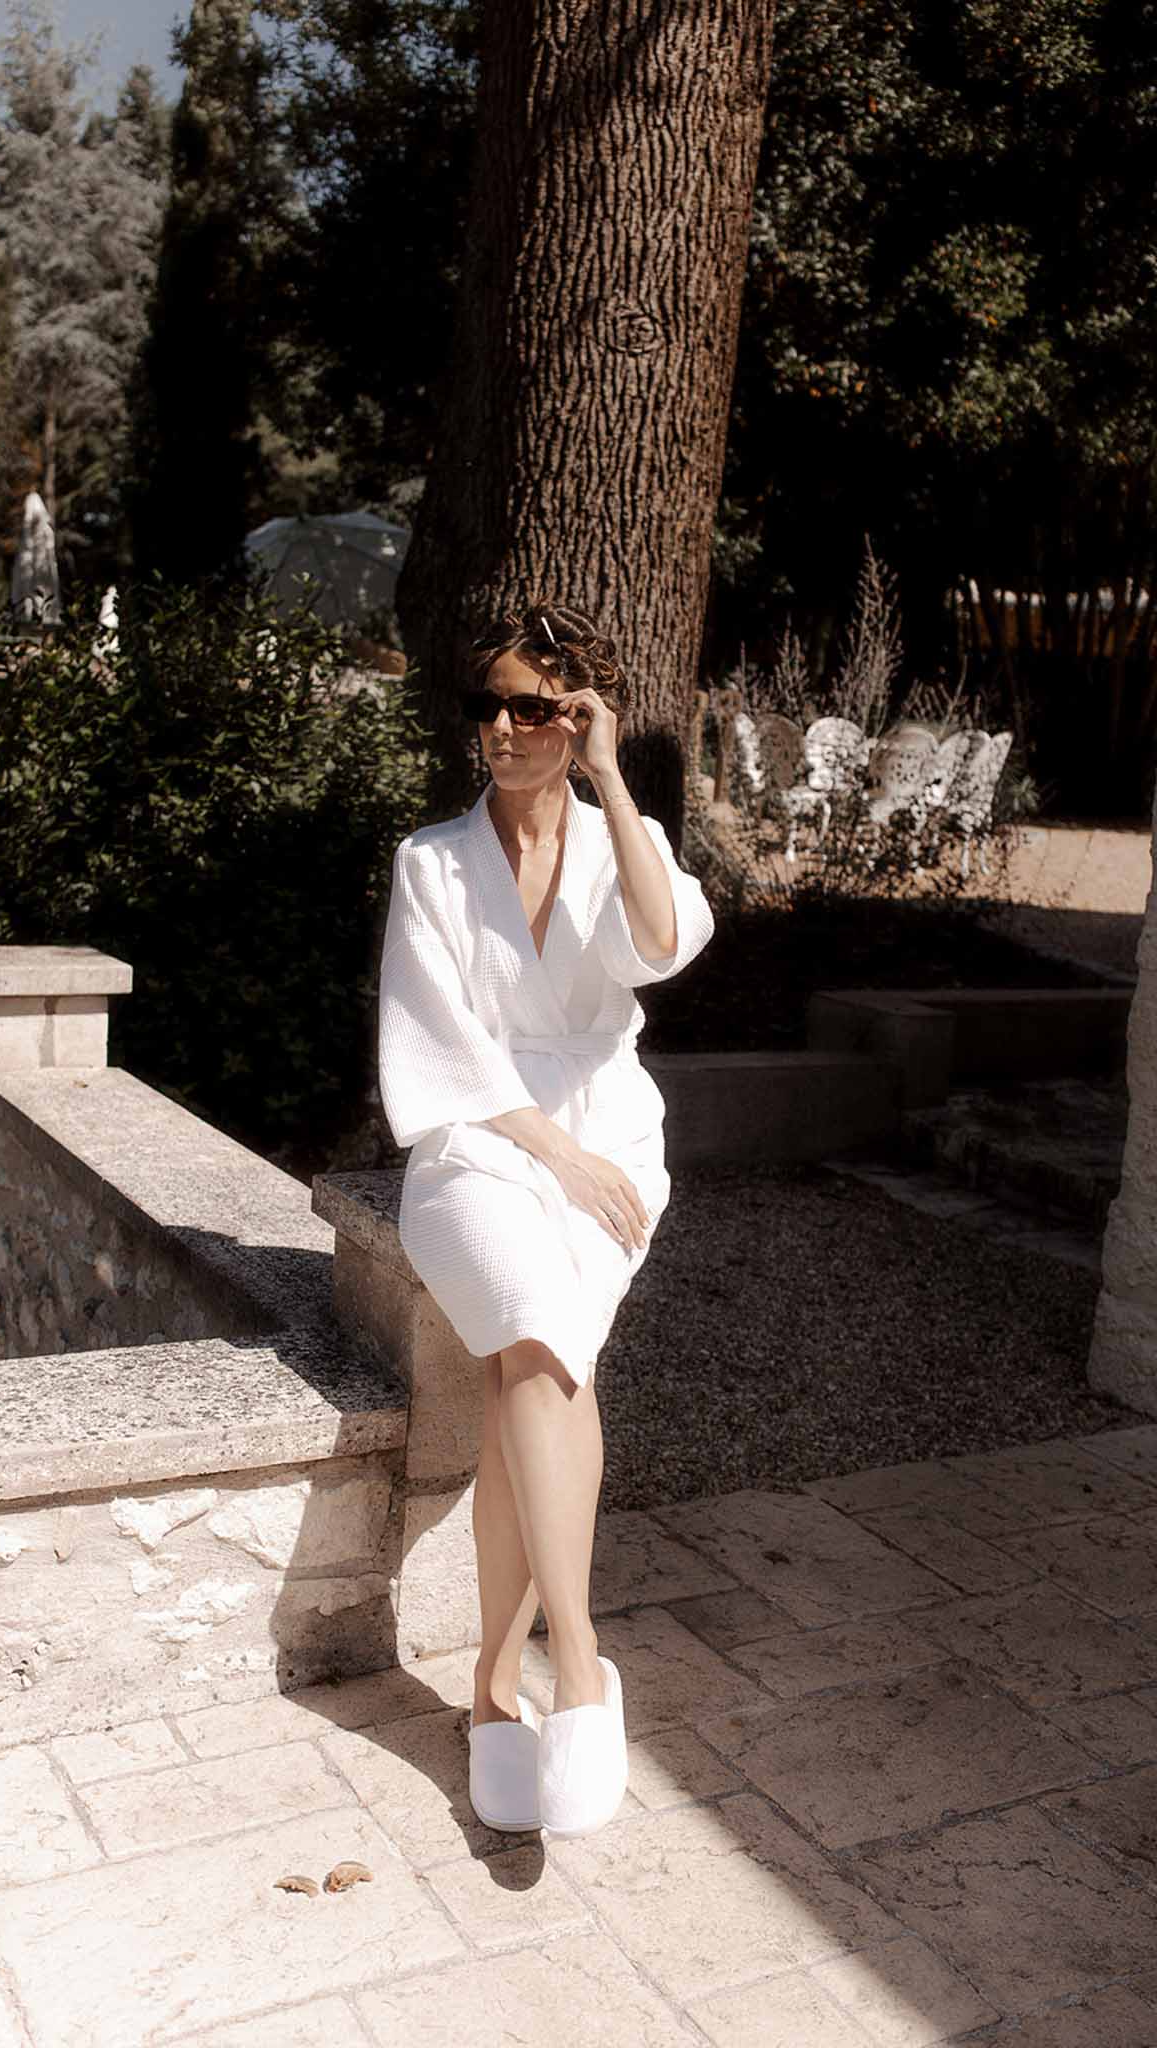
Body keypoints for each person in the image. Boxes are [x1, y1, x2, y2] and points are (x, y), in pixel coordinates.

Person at [376, 599, 714, 1838]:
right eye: (490, 707)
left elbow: (662, 942)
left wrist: (614, 781)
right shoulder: (432, 860)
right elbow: (441, 1048)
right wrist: (551, 1151)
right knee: (531, 1327)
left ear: (577, 716)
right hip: (479, 1141)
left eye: (534, 707)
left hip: (612, 1137)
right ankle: (575, 1658)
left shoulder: (629, 836)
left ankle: (486, 1685)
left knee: (535, 1372)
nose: (506, 729)